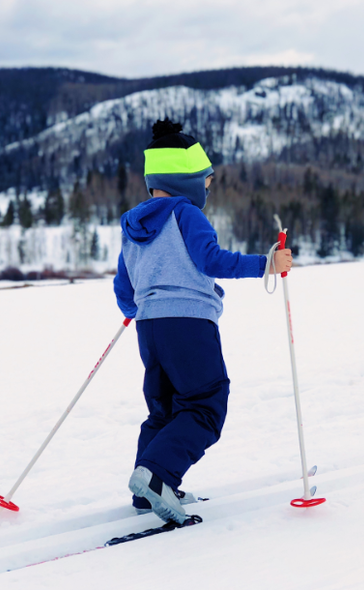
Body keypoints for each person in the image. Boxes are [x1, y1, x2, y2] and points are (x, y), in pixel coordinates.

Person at [113, 119, 292, 524]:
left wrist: (131, 309)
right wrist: (266, 263)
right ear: (187, 179)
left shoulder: (132, 224)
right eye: (206, 182)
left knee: (164, 408)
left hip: (149, 328)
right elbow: (211, 260)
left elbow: (124, 284)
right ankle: (158, 476)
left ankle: (151, 489)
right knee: (206, 403)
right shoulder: (185, 213)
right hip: (189, 324)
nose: (207, 190)